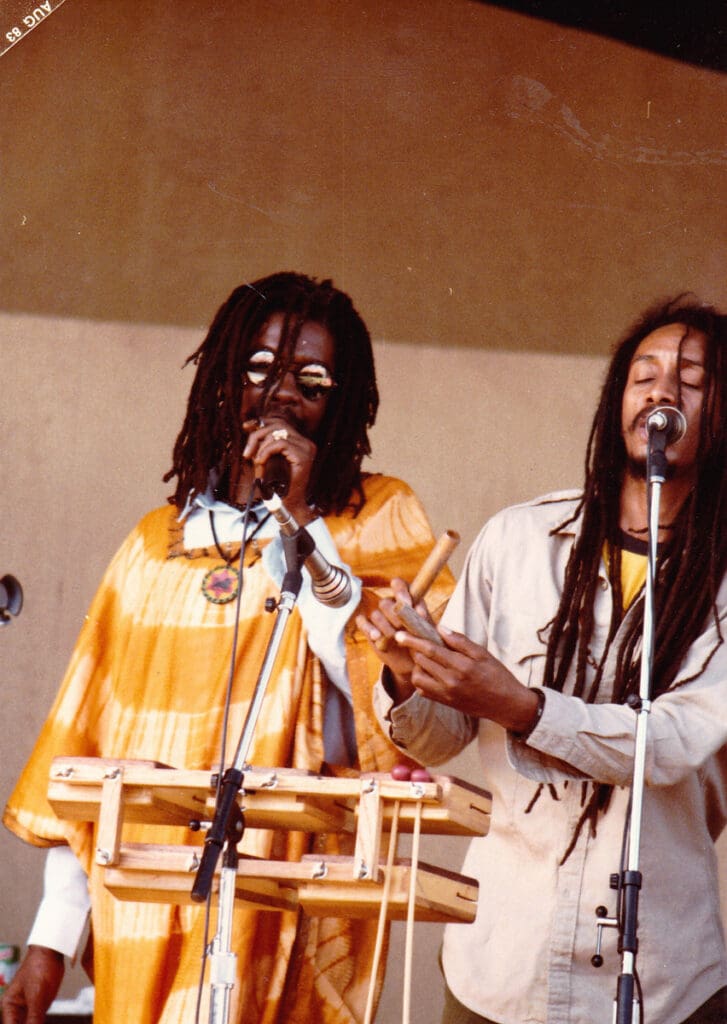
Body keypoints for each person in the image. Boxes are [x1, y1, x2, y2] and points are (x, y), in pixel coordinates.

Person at [2, 272, 453, 1024]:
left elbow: (399, 708)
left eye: (311, 382)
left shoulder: (380, 516)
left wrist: (301, 516)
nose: (281, 395)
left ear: (339, 404)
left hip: (298, 894)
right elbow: (82, 755)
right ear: (219, 381)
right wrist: (50, 940)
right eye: (256, 370)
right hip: (149, 899)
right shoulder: (154, 544)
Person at [358, 296, 727, 1024]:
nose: (660, 391)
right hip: (501, 962)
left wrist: (518, 707)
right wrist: (407, 670)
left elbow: (672, 742)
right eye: (641, 375)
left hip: (663, 977)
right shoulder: (518, 539)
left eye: (690, 378)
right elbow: (441, 735)